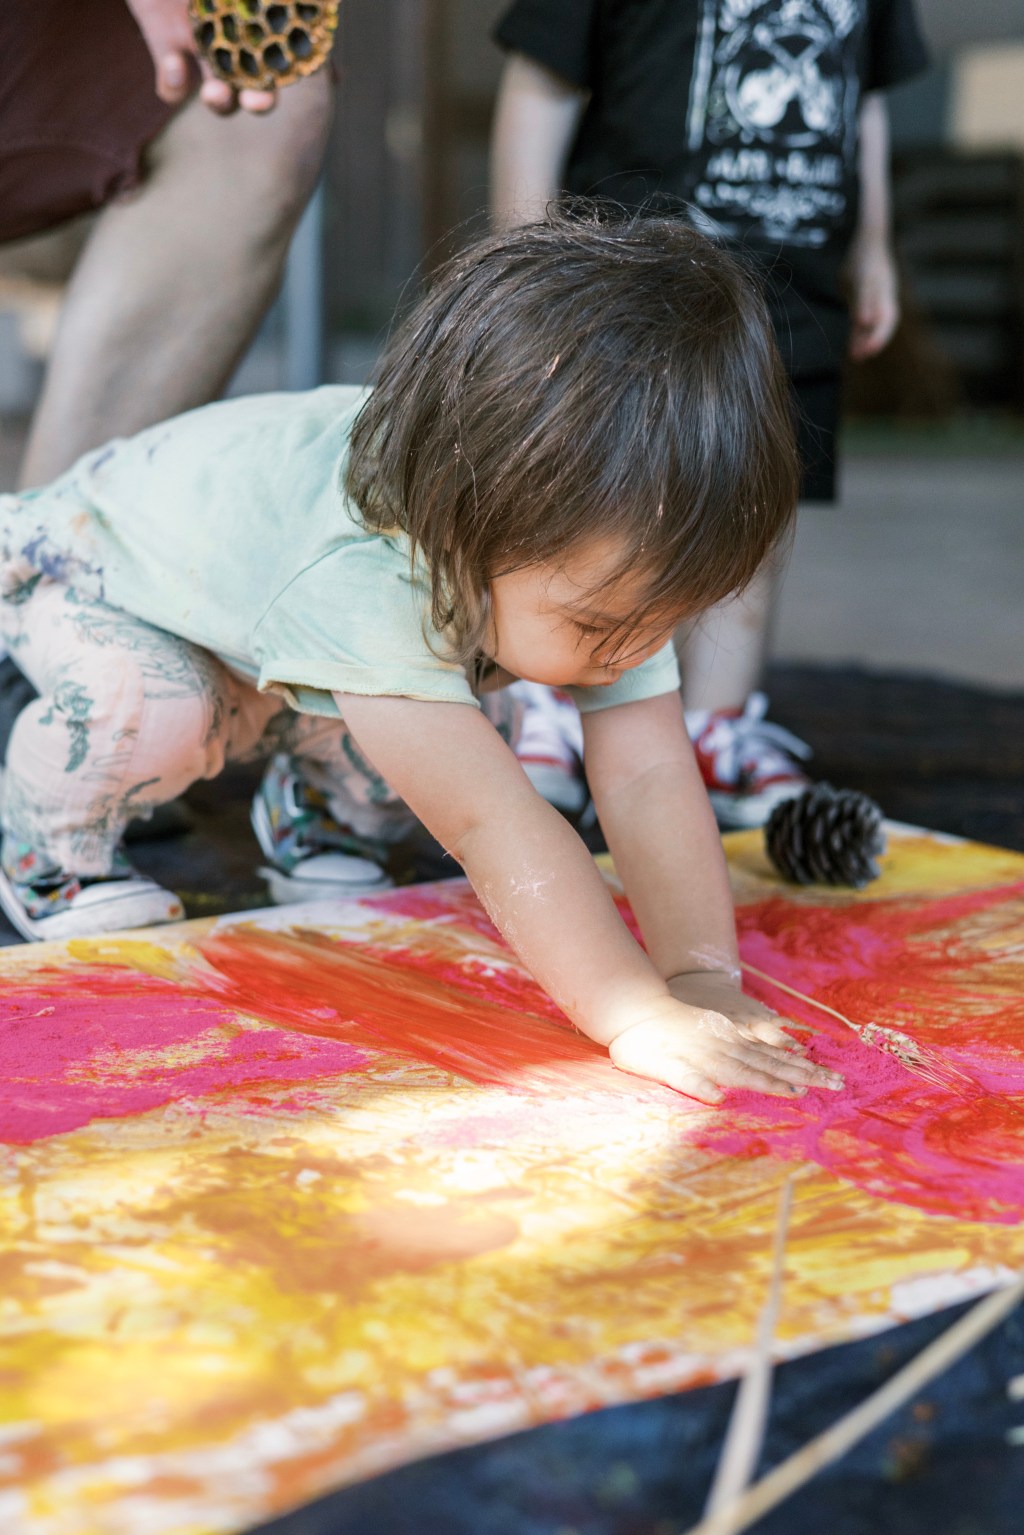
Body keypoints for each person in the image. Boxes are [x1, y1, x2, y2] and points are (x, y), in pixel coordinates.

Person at [0, 210, 845, 1105]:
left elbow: (646, 778)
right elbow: (494, 825)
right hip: (87, 574)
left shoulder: (599, 551)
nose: (634, 651)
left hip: (260, 617)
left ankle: (314, 810)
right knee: (167, 707)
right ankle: (46, 848)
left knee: (467, 716)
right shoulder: (363, 574)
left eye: (665, 620)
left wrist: (701, 974)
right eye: (602, 625)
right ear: (471, 519)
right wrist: (633, 1012)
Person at [490, 0, 928, 828]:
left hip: (794, 286)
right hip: (633, 284)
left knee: (758, 505)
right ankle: (547, 705)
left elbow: (863, 100)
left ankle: (713, 729)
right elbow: (539, 81)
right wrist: (524, 261)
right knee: (594, 494)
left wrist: (874, 243)